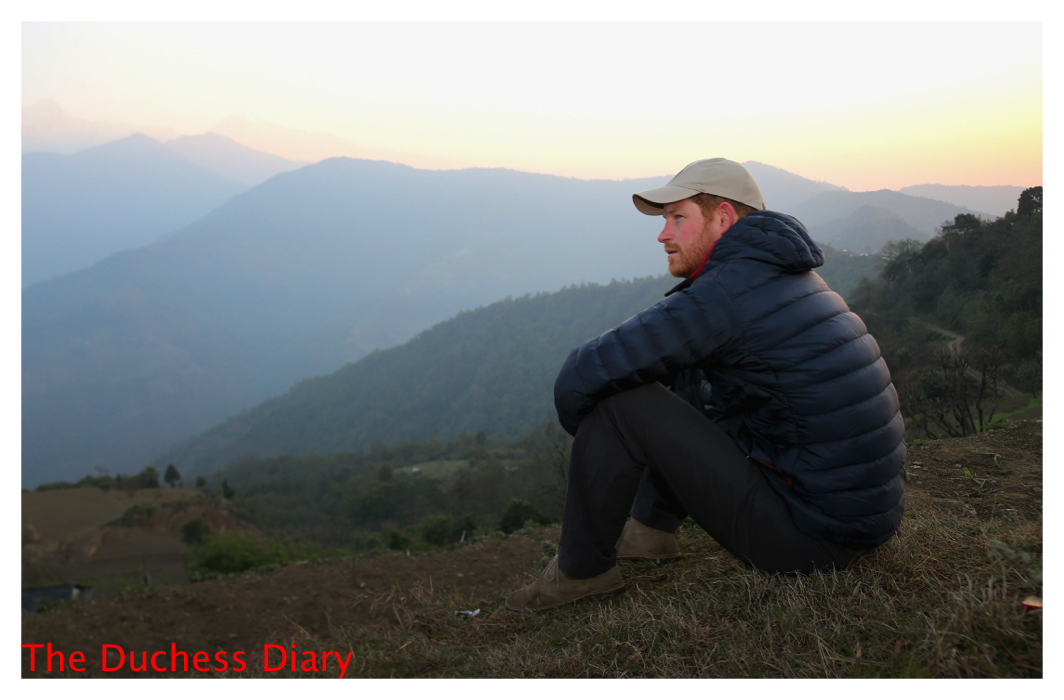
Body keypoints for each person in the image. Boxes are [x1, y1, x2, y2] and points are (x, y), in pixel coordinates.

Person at [505, 158, 906, 612]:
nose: (663, 235)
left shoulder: (725, 295)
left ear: (723, 218)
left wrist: (609, 440)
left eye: (678, 217)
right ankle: (651, 530)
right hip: (856, 522)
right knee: (687, 372)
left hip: (811, 541)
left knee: (619, 404)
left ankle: (580, 573)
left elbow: (578, 377)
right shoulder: (789, 276)